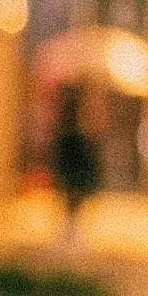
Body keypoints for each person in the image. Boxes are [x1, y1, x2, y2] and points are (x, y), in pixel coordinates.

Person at [49, 87, 101, 239]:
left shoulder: (68, 132)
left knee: (71, 199)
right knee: (72, 199)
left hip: (72, 161)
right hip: (74, 160)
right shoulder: (78, 132)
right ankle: (70, 228)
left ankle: (70, 228)